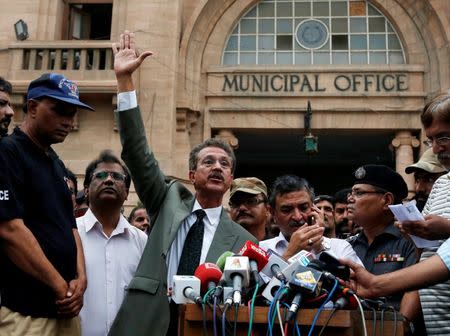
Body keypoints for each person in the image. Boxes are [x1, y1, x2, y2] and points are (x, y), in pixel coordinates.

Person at [108, 30, 257, 336]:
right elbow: (137, 153)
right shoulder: (168, 200)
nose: (217, 167)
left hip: (204, 327)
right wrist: (125, 82)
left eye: (224, 164)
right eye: (208, 162)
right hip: (148, 323)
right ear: (192, 176)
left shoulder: (244, 240)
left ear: (230, 181)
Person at [0, 73, 93, 335]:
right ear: (32, 107)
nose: (68, 121)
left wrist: (81, 278)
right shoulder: (7, 152)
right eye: (59, 110)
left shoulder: (57, 164)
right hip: (25, 316)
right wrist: (61, 287)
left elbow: (71, 227)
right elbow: (9, 230)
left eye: (72, 113)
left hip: (65, 313)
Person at [396, 92, 450, 335]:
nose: (437, 149)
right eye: (431, 140)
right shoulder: (441, 185)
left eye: (444, 137)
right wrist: (414, 232)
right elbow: (425, 255)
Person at [77, 150, 147, 336]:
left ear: (126, 193)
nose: (109, 180)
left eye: (117, 177)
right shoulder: (70, 233)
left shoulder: (141, 241)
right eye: (100, 175)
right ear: (86, 189)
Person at [347, 164, 417, 310]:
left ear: (387, 200)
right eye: (351, 193)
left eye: (359, 193)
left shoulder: (411, 242)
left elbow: (415, 291)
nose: (350, 199)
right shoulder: (348, 245)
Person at [260, 175, 363, 265]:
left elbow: (359, 285)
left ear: (313, 208)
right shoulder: (261, 250)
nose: (297, 217)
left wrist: (320, 249)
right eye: (287, 210)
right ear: (273, 213)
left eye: (304, 208)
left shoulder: (340, 247)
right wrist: (290, 254)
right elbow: (261, 287)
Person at [341, 236, 450, 298]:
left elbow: (442, 264)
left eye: (359, 194)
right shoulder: (349, 243)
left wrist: (374, 284)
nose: (351, 198)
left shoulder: (405, 241)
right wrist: (374, 285)